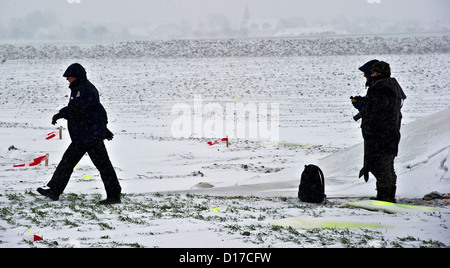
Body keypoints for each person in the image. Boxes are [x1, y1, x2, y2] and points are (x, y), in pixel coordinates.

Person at [37, 63, 121, 205]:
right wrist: (103, 128)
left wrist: (60, 114)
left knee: (100, 166)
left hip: (89, 136)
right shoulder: (81, 88)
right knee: (69, 163)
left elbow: (77, 109)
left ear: (76, 76)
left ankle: (114, 196)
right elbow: (98, 109)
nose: (66, 79)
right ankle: (54, 191)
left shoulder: (84, 90)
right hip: (85, 135)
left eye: (68, 76)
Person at [352, 61, 406, 202]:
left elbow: (377, 113)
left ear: (377, 74)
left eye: (372, 73)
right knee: (386, 165)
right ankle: (386, 195)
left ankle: (385, 197)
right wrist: (365, 105)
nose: (368, 76)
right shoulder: (390, 86)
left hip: (381, 136)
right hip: (390, 134)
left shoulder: (380, 88)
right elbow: (381, 109)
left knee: (380, 166)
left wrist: (370, 130)